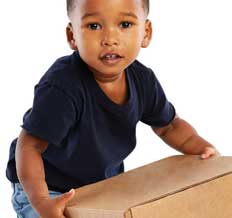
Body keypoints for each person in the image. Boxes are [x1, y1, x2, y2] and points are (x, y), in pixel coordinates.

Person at [6, 0, 219, 217]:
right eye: (94, 26)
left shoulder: (142, 80)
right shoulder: (63, 86)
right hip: (46, 186)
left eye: (125, 24)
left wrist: (202, 148)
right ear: (72, 37)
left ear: (146, 32)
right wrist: (41, 202)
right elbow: (30, 146)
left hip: (100, 186)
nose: (109, 40)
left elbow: (169, 126)